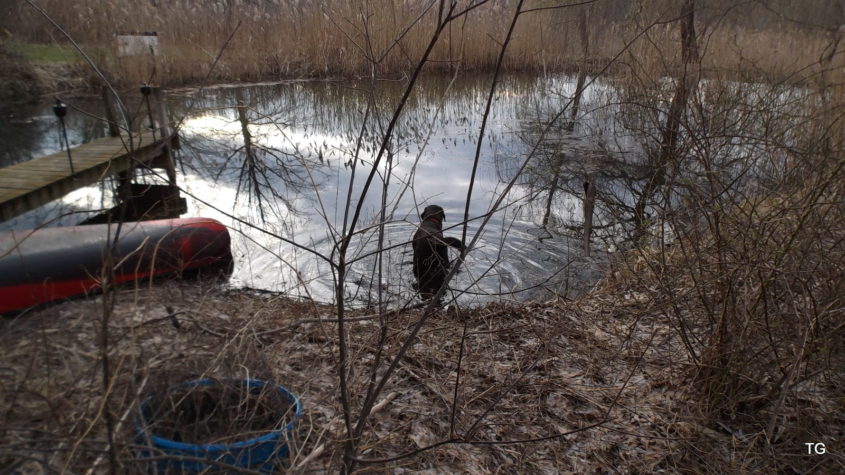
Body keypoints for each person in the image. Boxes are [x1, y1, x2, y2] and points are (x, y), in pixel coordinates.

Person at [412, 205, 464, 301]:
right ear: (442, 218)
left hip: (420, 265)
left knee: (419, 275)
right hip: (439, 241)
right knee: (444, 270)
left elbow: (415, 263)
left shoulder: (419, 232)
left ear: (424, 216)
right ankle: (438, 301)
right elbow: (446, 265)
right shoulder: (437, 234)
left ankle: (423, 299)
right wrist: (462, 248)